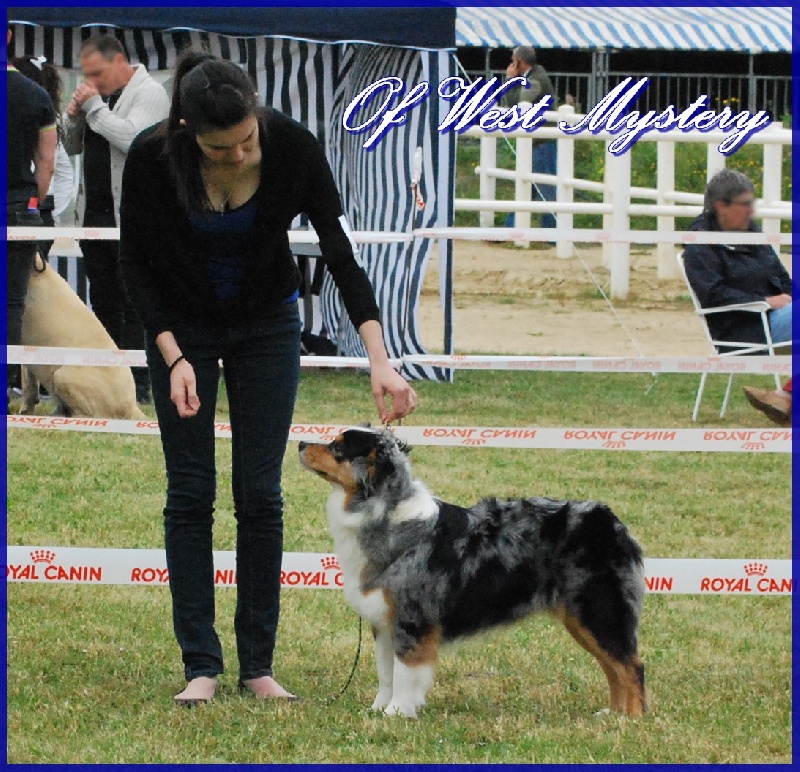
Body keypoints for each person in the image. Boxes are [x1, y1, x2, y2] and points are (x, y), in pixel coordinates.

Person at [119, 51, 419, 705]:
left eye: (247, 139)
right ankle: (200, 663)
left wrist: (380, 357)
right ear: (188, 132)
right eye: (222, 148)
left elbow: (339, 253)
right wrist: (173, 359)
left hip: (265, 327)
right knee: (190, 494)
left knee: (260, 496)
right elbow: (136, 267)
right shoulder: (150, 159)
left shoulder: (292, 147)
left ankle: (258, 665)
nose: (239, 154)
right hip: (181, 330)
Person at [64, 34, 170, 404]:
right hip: (94, 215)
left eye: (98, 72)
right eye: (87, 74)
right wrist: (73, 115)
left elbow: (133, 139)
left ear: (120, 61)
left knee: (134, 301)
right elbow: (72, 146)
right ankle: (109, 378)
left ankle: (140, 382)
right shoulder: (99, 100)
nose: (92, 80)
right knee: (104, 300)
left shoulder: (150, 93)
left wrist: (92, 107)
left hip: (133, 220)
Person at [683, 169, 793, 426]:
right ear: (721, 206)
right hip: (743, 329)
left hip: (775, 318)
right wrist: (766, 301)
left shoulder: (751, 233)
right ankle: (787, 396)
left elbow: (782, 278)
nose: (751, 211)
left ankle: (786, 397)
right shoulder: (700, 244)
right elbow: (712, 294)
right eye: (745, 205)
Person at [6, 28, 57, 413]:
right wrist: (35, 201)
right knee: (10, 303)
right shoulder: (36, 95)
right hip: (19, 206)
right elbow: (47, 161)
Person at [11, 56, 75, 255]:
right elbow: (53, 166)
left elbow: (52, 166)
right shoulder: (43, 116)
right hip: (29, 209)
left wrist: (42, 205)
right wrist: (42, 205)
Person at [501, 46, 557, 230]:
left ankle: (551, 231)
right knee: (531, 183)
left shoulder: (535, 81)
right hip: (538, 141)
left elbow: (517, 104)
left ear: (520, 63)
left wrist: (510, 80)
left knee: (544, 187)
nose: (510, 64)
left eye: (513, 60)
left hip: (542, 141)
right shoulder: (534, 77)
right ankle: (513, 227)